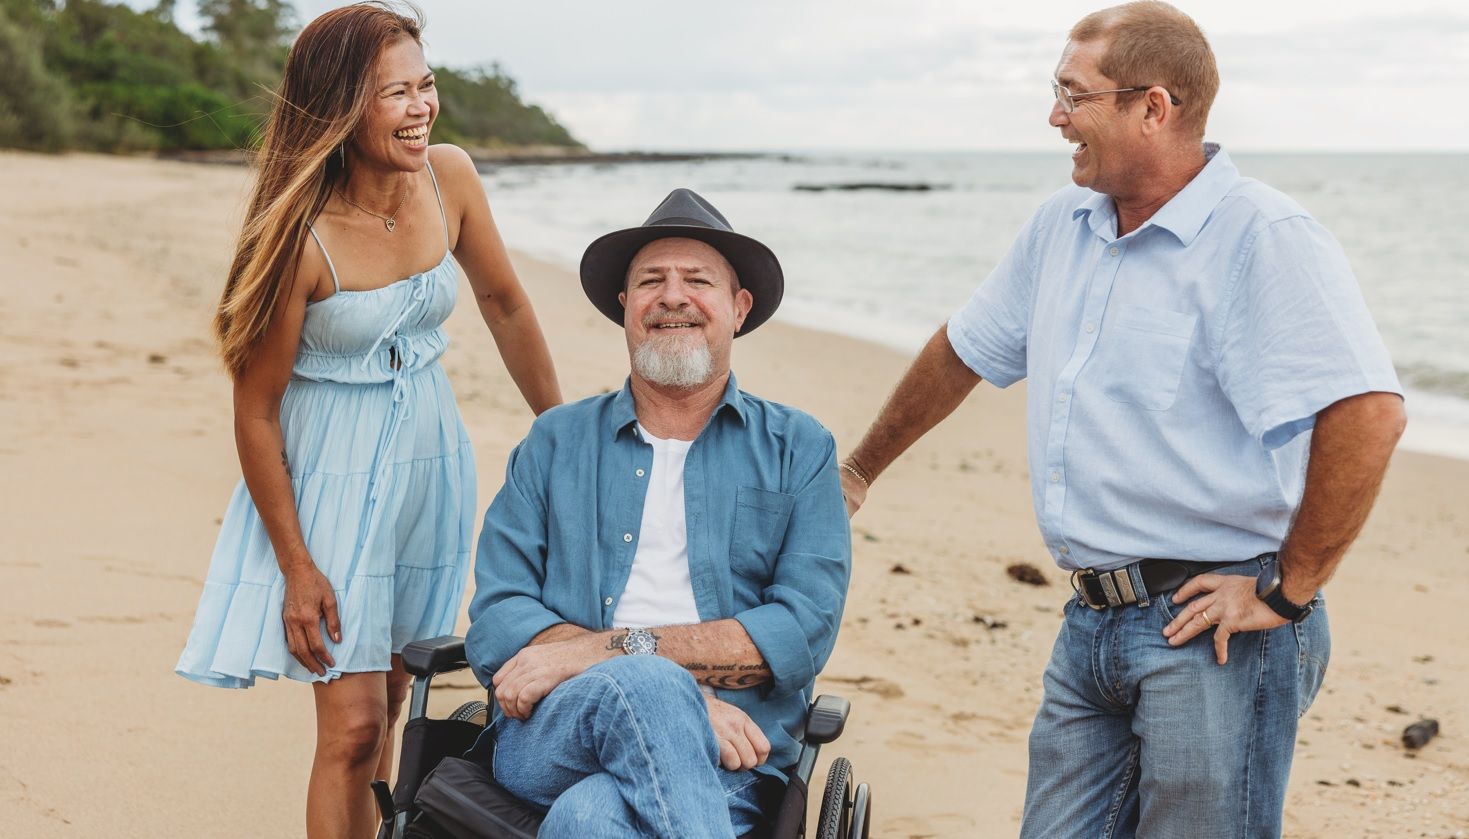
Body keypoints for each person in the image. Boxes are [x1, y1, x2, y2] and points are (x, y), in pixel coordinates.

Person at [838, 2, 1406, 836]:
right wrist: (857, 470)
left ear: (1153, 106)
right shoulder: (1060, 225)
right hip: (1089, 623)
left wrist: (1291, 587)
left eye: (1074, 94)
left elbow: (1367, 411)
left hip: (1210, 627)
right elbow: (962, 350)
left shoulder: (1262, 235)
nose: (1054, 116)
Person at [173, 4, 562, 836]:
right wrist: (296, 567)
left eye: (427, 85)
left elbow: (503, 301)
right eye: (397, 93)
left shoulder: (448, 176)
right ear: (342, 107)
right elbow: (254, 409)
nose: (422, 107)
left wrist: (561, 429)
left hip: (430, 463)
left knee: (392, 705)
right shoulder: (294, 236)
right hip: (329, 483)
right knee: (349, 730)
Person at [463, 189, 851, 838]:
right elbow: (500, 614)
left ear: (738, 306)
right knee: (646, 689)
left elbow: (801, 629)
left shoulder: (798, 448)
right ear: (625, 306)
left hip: (735, 754)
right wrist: (674, 695)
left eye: (696, 280)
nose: (672, 295)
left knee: (587, 821)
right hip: (553, 731)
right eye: (650, 281)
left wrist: (596, 651)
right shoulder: (555, 441)